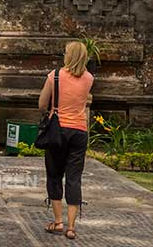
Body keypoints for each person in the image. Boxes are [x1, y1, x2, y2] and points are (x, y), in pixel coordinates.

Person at [38, 41, 94, 241]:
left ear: (68, 56)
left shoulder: (54, 76)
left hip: (58, 130)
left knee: (54, 175)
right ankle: (71, 226)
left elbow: (42, 104)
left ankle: (58, 221)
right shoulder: (89, 78)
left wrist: (49, 112)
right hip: (80, 131)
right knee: (74, 178)